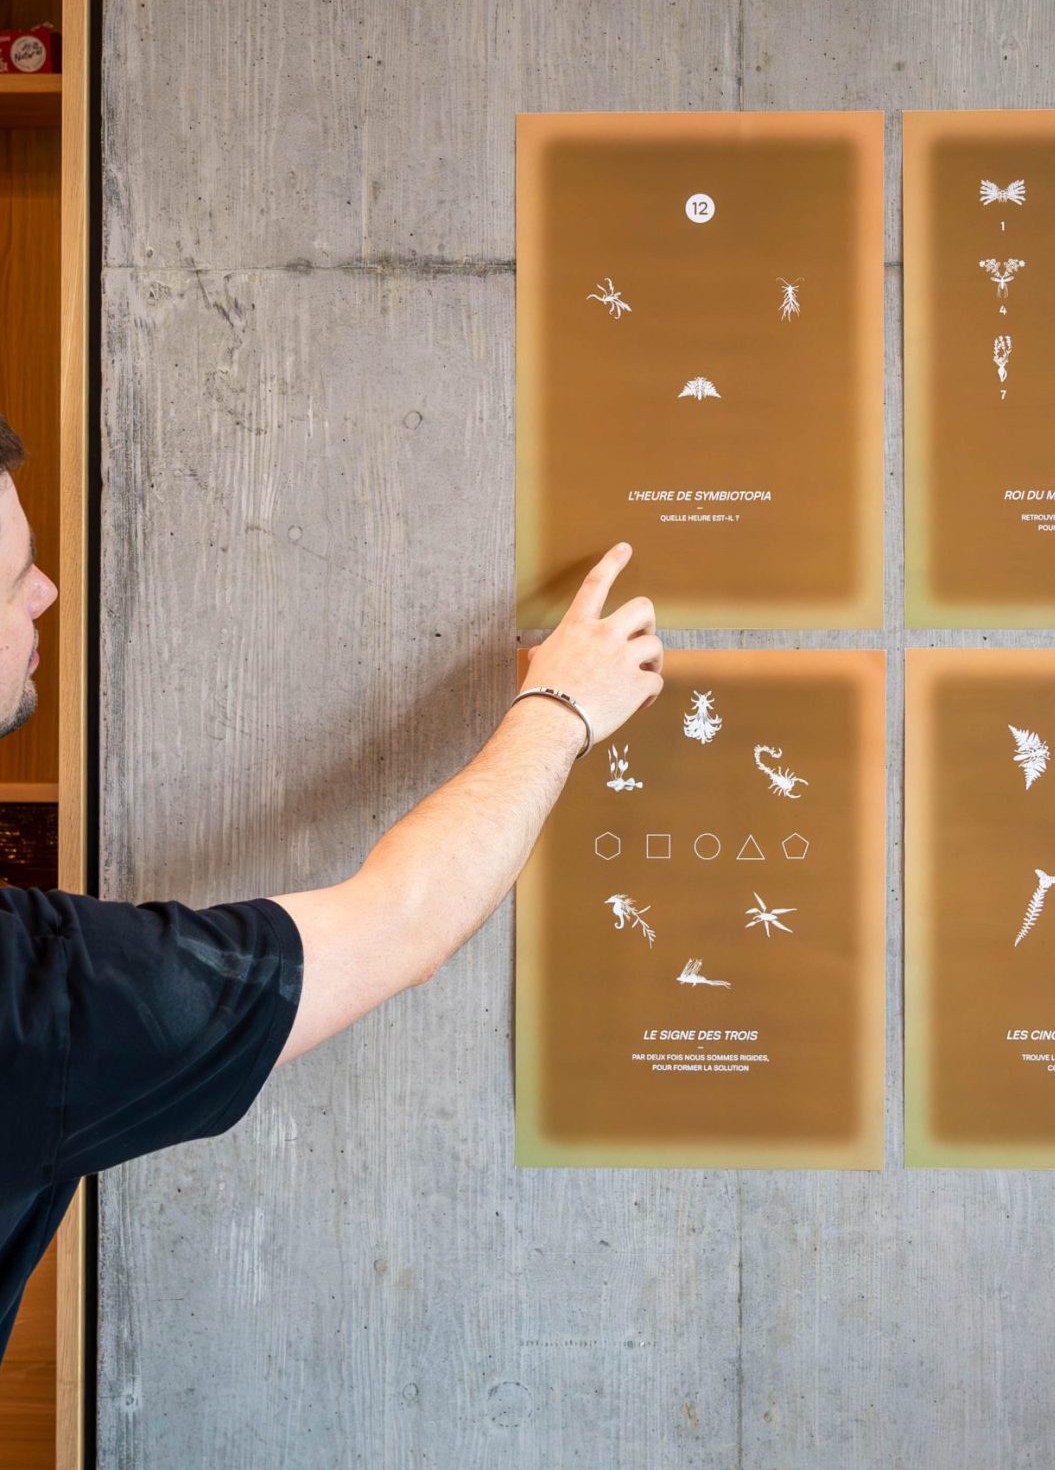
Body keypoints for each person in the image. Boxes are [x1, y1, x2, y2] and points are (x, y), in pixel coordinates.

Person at [0, 414, 663, 1363]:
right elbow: (401, 923)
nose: (49, 590)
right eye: (17, 577)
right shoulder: (31, 1006)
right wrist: (562, 706)